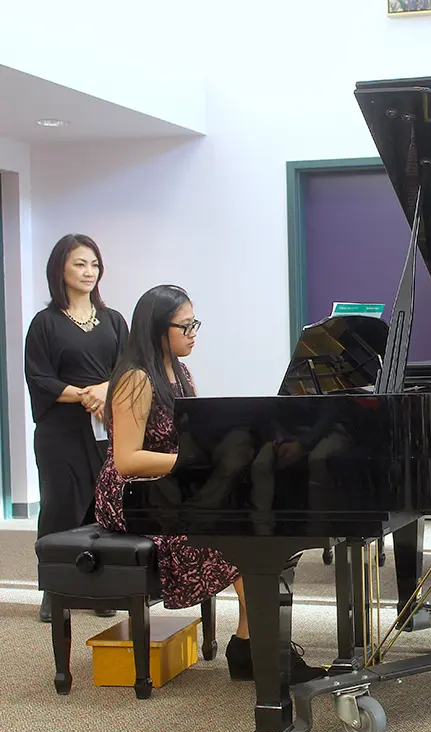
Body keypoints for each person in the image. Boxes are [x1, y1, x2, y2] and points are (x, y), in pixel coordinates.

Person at [93, 284, 326, 684]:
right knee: (234, 537)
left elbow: (192, 437)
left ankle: (250, 644)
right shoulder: (136, 379)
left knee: (257, 523)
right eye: (185, 326)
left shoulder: (180, 373)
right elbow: (127, 460)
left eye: (194, 324)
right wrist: (194, 463)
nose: (193, 333)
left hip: (169, 485)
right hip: (132, 495)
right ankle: (262, 650)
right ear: (157, 329)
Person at [25, 233, 128, 622]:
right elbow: (39, 377)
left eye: (94, 264)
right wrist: (85, 395)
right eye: (80, 264)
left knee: (101, 506)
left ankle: (99, 589)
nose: (89, 271)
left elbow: (128, 369)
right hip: (60, 430)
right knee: (59, 505)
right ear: (60, 269)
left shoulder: (113, 320)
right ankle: (54, 591)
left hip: (105, 427)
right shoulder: (45, 323)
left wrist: (103, 390)